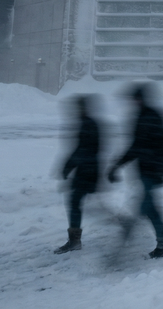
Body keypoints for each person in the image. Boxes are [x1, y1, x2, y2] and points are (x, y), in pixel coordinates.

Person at [108, 83, 163, 259]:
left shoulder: (154, 117)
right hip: (146, 170)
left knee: (145, 206)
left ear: (142, 99)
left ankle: (130, 237)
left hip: (153, 170)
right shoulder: (140, 117)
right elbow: (136, 146)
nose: (134, 102)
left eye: (136, 99)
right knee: (150, 207)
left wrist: (160, 169)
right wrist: (118, 164)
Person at [55, 94, 103, 254]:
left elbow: (83, 150)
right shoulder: (88, 123)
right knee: (77, 203)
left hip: (87, 171)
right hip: (86, 170)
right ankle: (74, 240)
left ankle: (75, 241)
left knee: (76, 203)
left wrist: (68, 166)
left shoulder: (88, 124)